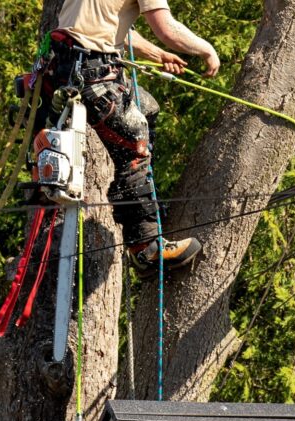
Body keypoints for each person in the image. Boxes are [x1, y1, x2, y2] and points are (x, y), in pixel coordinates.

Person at [39, 0, 220, 278]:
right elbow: (167, 28)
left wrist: (158, 54)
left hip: (66, 66)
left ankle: (145, 203)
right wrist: (207, 50)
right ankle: (146, 248)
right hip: (93, 73)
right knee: (136, 146)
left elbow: (116, 30)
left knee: (146, 110)